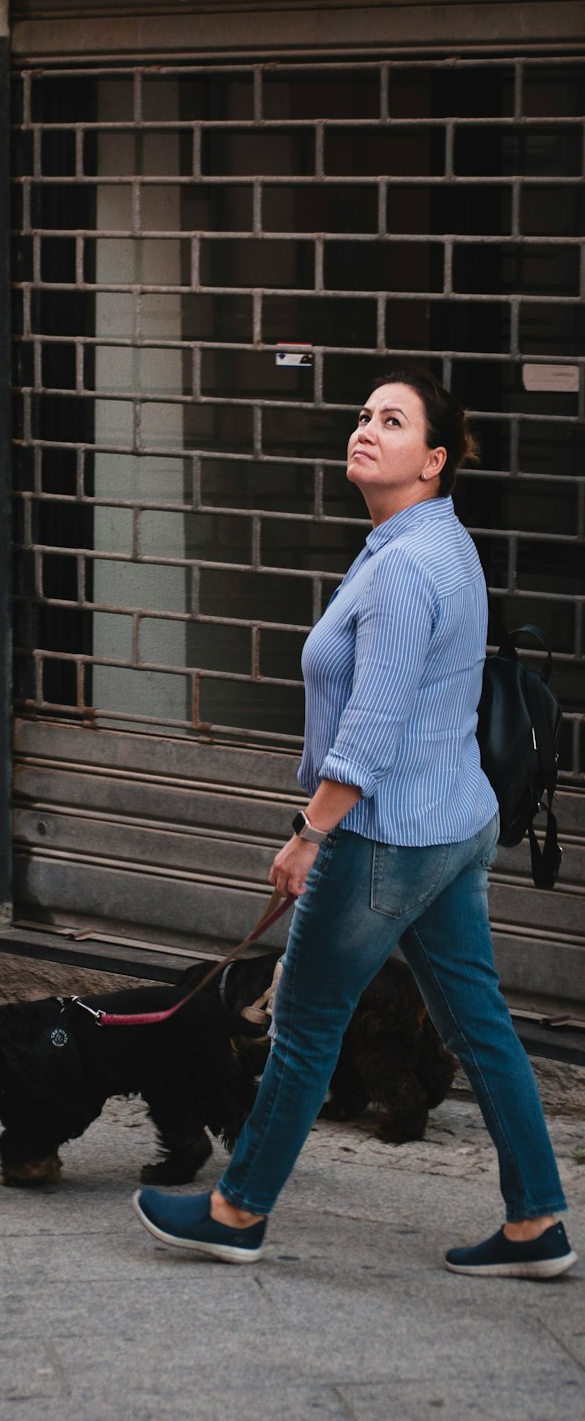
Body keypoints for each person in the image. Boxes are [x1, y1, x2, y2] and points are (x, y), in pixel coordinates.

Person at [132, 371, 576, 1279]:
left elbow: (372, 724)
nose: (366, 429)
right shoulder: (426, 542)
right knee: (478, 1023)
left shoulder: (408, 564)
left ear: (434, 461)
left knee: (303, 1026)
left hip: (387, 837)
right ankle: (538, 1221)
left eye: (394, 421)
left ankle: (236, 1209)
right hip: (450, 826)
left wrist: (309, 832)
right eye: (365, 415)